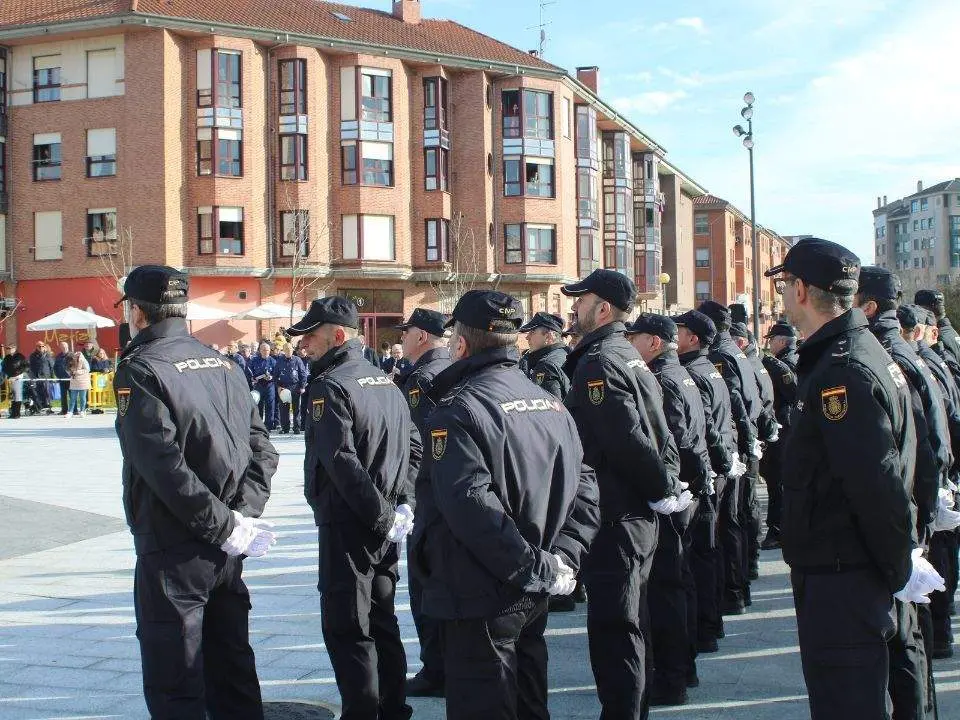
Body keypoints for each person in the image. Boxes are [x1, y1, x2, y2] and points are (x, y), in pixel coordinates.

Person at [766, 237, 944, 720]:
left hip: (844, 573)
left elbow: (875, 480)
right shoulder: (859, 352)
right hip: (854, 566)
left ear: (801, 290)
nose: (783, 296)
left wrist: (900, 564)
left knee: (847, 702)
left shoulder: (842, 369)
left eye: (785, 285)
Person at [413, 290, 600, 719]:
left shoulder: (458, 409)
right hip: (531, 582)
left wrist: (541, 565)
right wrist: (560, 559)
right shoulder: (550, 403)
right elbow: (586, 486)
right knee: (529, 697)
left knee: (485, 702)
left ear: (461, 344)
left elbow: (472, 507)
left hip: (480, 591)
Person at [112, 264, 279, 719]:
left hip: (175, 544)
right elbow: (263, 448)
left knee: (176, 678)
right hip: (226, 543)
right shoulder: (224, 363)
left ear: (137, 313)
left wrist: (227, 524)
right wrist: (240, 517)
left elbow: (162, 467)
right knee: (232, 668)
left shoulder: (141, 369)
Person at [560, 269, 686, 719]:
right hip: (633, 512)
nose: (574, 307)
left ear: (603, 309)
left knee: (617, 629)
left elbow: (627, 438)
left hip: (617, 514)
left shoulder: (599, 361)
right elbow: (659, 431)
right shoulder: (626, 354)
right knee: (633, 623)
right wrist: (664, 484)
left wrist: (660, 487)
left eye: (581, 300)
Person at [288, 296, 421, 720]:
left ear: (337, 336)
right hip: (384, 522)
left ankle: (362, 712)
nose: (303, 345)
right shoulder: (384, 381)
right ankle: (393, 707)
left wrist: (386, 514)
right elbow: (414, 447)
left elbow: (341, 461)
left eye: (310, 336)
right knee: (382, 619)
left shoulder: (330, 385)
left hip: (350, 523)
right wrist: (402, 504)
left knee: (348, 625)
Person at [626, 313, 712, 706]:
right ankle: (684, 667)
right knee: (679, 582)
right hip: (686, 492)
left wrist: (670, 485)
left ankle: (672, 676)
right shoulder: (682, 374)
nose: (631, 343)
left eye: (636, 337)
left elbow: (674, 437)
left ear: (654, 343)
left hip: (673, 496)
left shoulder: (662, 379)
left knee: (665, 590)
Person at [394, 308, 451, 698]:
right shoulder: (451, 368)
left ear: (422, 337)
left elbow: (418, 442)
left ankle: (436, 670)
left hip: (429, 498)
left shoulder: (423, 377)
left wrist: (409, 497)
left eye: (407, 331)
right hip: (451, 496)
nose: (402, 337)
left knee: (425, 586)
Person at [675, 310, 738, 655]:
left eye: (680, 330)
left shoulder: (693, 373)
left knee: (699, 554)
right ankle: (712, 625)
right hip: (716, 467)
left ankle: (704, 628)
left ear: (693, 338)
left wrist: (716, 464)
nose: (675, 336)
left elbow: (705, 426)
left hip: (705, 472)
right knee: (709, 550)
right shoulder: (707, 368)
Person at [900, 304, 960, 661]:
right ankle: (940, 632)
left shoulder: (913, 363)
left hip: (931, 478)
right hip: (940, 474)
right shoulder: (926, 361)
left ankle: (938, 635)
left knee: (934, 562)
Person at [697, 300, 763, 614]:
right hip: (738, 441)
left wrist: (746, 440)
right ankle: (739, 586)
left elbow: (735, 399)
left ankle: (734, 591)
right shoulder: (735, 351)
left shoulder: (720, 356)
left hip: (730, 443)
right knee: (736, 517)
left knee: (728, 522)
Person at [759, 321, 799, 550]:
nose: (770, 344)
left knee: (778, 482)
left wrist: (774, 365)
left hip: (785, 430)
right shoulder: (788, 360)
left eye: (772, 340)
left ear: (782, 341)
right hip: (786, 429)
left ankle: (777, 531)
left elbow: (793, 393)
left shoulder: (784, 364)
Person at [517, 312, 571, 400]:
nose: (527, 337)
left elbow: (549, 405)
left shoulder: (546, 365)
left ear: (548, 336)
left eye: (532, 332)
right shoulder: (567, 353)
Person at [274, 343, 307, 434]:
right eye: (286, 349)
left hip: (295, 387)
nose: (288, 350)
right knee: (284, 409)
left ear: (292, 350)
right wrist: (278, 387)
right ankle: (285, 428)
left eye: (290, 349)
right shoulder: (280, 361)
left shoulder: (297, 360)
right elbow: (275, 375)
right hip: (283, 387)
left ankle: (296, 428)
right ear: (283, 350)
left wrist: (302, 386)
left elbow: (303, 374)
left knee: (296, 408)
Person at [247, 342, 277, 433]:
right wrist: (252, 378)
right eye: (264, 350)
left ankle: (268, 426)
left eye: (267, 350)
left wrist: (271, 377)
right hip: (258, 386)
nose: (266, 352)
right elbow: (249, 371)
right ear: (260, 350)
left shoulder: (273, 361)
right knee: (258, 406)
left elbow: (277, 373)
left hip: (269, 386)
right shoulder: (254, 360)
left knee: (270, 406)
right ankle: (259, 426)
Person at [2, 343, 27, 419]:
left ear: (14, 348)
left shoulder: (20, 356)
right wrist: (6, 375)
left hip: (17, 378)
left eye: (10, 348)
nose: (9, 350)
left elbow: (25, 366)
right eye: (7, 348)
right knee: (12, 396)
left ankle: (17, 413)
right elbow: (4, 367)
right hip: (10, 378)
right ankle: (13, 413)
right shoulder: (7, 357)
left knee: (17, 395)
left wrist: (18, 374)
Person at [28, 341, 55, 413]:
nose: (41, 347)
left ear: (44, 347)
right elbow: (30, 367)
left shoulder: (48, 355)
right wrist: (32, 377)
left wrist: (52, 378)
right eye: (39, 346)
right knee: (38, 392)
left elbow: (52, 367)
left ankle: (48, 407)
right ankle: (40, 406)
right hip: (36, 377)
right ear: (36, 347)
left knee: (47, 393)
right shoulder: (33, 356)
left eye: (42, 346)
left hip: (46, 377)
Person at [66, 350, 91, 417]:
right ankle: (70, 412)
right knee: (72, 398)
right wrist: (69, 372)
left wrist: (77, 372)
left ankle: (82, 411)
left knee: (82, 398)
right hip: (74, 382)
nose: (70, 362)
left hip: (83, 382)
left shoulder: (83, 360)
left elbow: (87, 369)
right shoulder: (70, 361)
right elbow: (68, 369)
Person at [53, 341, 72, 416]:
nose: (64, 347)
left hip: (70, 379)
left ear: (67, 346)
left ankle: (74, 410)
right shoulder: (58, 356)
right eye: (62, 346)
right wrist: (58, 375)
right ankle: (64, 410)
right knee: (63, 396)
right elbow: (55, 367)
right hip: (61, 379)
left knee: (72, 395)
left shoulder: (72, 355)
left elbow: (75, 366)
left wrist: (72, 374)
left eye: (65, 346)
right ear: (60, 347)